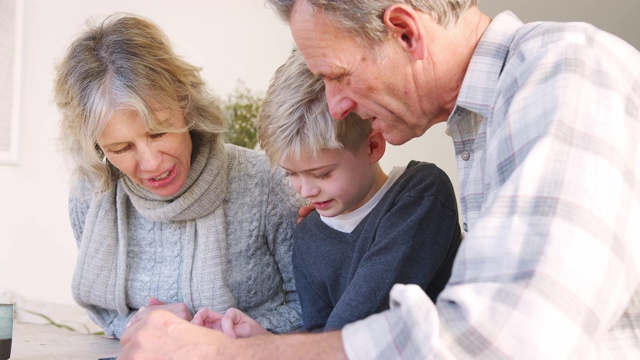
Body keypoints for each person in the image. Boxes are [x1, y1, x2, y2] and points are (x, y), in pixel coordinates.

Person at [119, 0, 640, 358]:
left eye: (338, 75)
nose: (337, 103)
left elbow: (511, 336)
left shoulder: (568, 72)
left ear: (406, 32)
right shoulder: (487, 121)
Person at [53, 13, 304, 339]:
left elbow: (315, 307)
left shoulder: (267, 182)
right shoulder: (92, 195)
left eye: (158, 133)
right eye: (121, 147)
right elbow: (106, 312)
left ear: (186, 105)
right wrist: (138, 324)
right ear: (98, 148)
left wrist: (234, 338)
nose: (151, 162)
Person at [191, 49, 461, 335]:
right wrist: (262, 337)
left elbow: (355, 329)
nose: (305, 190)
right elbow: (318, 335)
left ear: (372, 146)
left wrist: (272, 348)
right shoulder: (308, 236)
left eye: (322, 174)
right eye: (291, 173)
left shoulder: (423, 195)